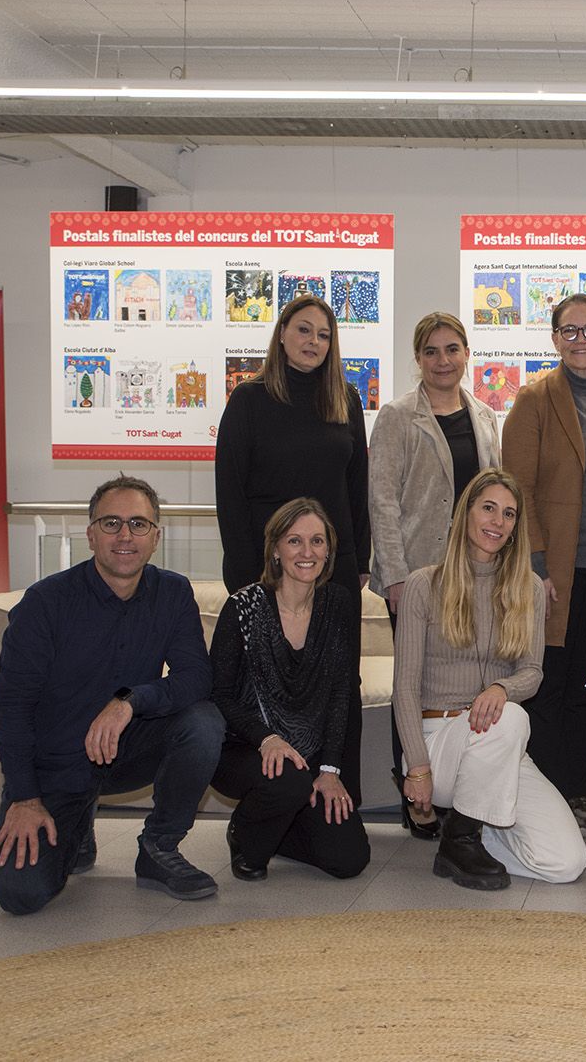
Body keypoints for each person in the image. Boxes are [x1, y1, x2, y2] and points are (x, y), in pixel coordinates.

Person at [0, 475, 223, 914]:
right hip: (58, 765)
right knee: (20, 894)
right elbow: (10, 706)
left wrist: (129, 701)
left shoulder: (172, 593)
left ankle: (158, 848)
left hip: (127, 750)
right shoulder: (44, 603)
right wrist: (24, 798)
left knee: (203, 722)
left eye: (139, 524)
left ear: (156, 537)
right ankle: (76, 825)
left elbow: (196, 678)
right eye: (111, 523)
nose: (125, 536)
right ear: (90, 534)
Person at [393, 469, 586, 890]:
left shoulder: (530, 589)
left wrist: (502, 688)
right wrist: (419, 769)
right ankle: (461, 838)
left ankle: (471, 832)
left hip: (499, 744)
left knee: (566, 863)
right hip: (439, 741)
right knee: (513, 719)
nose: (497, 522)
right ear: (466, 514)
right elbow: (404, 688)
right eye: (488, 508)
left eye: (509, 514)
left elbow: (532, 673)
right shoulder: (423, 585)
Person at [216, 293, 370, 801]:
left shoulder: (344, 399)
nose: (313, 342)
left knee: (340, 684)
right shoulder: (249, 400)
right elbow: (230, 493)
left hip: (333, 569)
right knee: (265, 685)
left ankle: (339, 792)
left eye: (324, 335)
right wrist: (244, 578)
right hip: (266, 572)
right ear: (281, 334)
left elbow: (357, 487)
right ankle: (277, 796)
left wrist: (359, 560)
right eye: (304, 330)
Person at [501, 291, 586, 832]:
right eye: (569, 331)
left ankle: (577, 795)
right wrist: (536, 569)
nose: (581, 340)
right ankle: (545, 798)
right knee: (549, 685)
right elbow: (519, 489)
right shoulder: (534, 401)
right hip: (552, 569)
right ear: (555, 338)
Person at [369, 310, 501, 805]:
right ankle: (414, 789)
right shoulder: (398, 416)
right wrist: (397, 578)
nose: (442, 360)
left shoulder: (485, 416)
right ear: (418, 359)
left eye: (452, 349)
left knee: (461, 678)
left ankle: (461, 790)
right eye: (431, 351)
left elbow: (496, 493)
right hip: (417, 572)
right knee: (412, 683)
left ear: (467, 354)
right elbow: (381, 500)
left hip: (473, 572)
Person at [209, 498, 370, 882]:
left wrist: (330, 770)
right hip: (246, 748)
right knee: (288, 781)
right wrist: (266, 738)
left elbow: (340, 694)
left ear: (329, 550)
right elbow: (219, 694)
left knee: (349, 859)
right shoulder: (243, 607)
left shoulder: (338, 604)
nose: (307, 552)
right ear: (276, 549)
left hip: (309, 754)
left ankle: (279, 826)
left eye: (317, 541)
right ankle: (245, 833)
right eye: (295, 541)